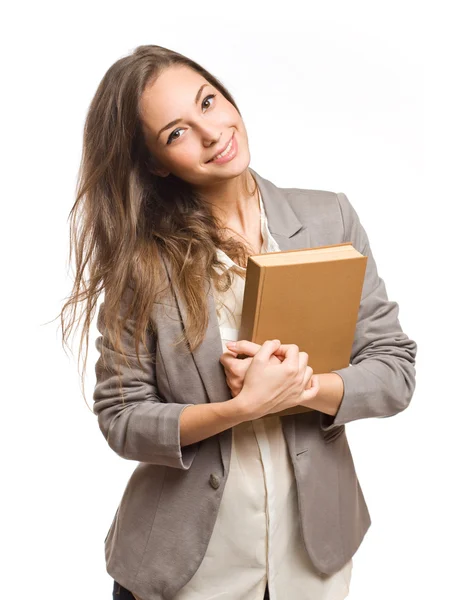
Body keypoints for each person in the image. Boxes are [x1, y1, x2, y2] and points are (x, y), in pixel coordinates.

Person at [60, 44, 418, 600]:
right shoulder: (142, 261)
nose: (211, 132)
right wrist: (240, 409)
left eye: (209, 102)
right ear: (156, 162)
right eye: (176, 133)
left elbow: (394, 370)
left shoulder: (330, 218)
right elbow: (122, 416)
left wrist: (302, 387)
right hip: (186, 571)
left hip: (310, 564)